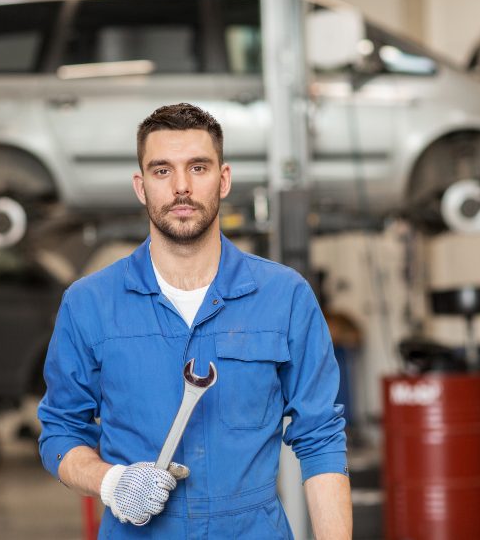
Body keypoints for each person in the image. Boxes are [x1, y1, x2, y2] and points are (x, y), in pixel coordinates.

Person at [38, 103, 351, 538]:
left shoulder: (285, 296)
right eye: (162, 171)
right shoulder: (89, 304)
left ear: (223, 180)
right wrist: (111, 482)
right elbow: (60, 432)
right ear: (140, 186)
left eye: (198, 167)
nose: (181, 187)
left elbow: (321, 438)